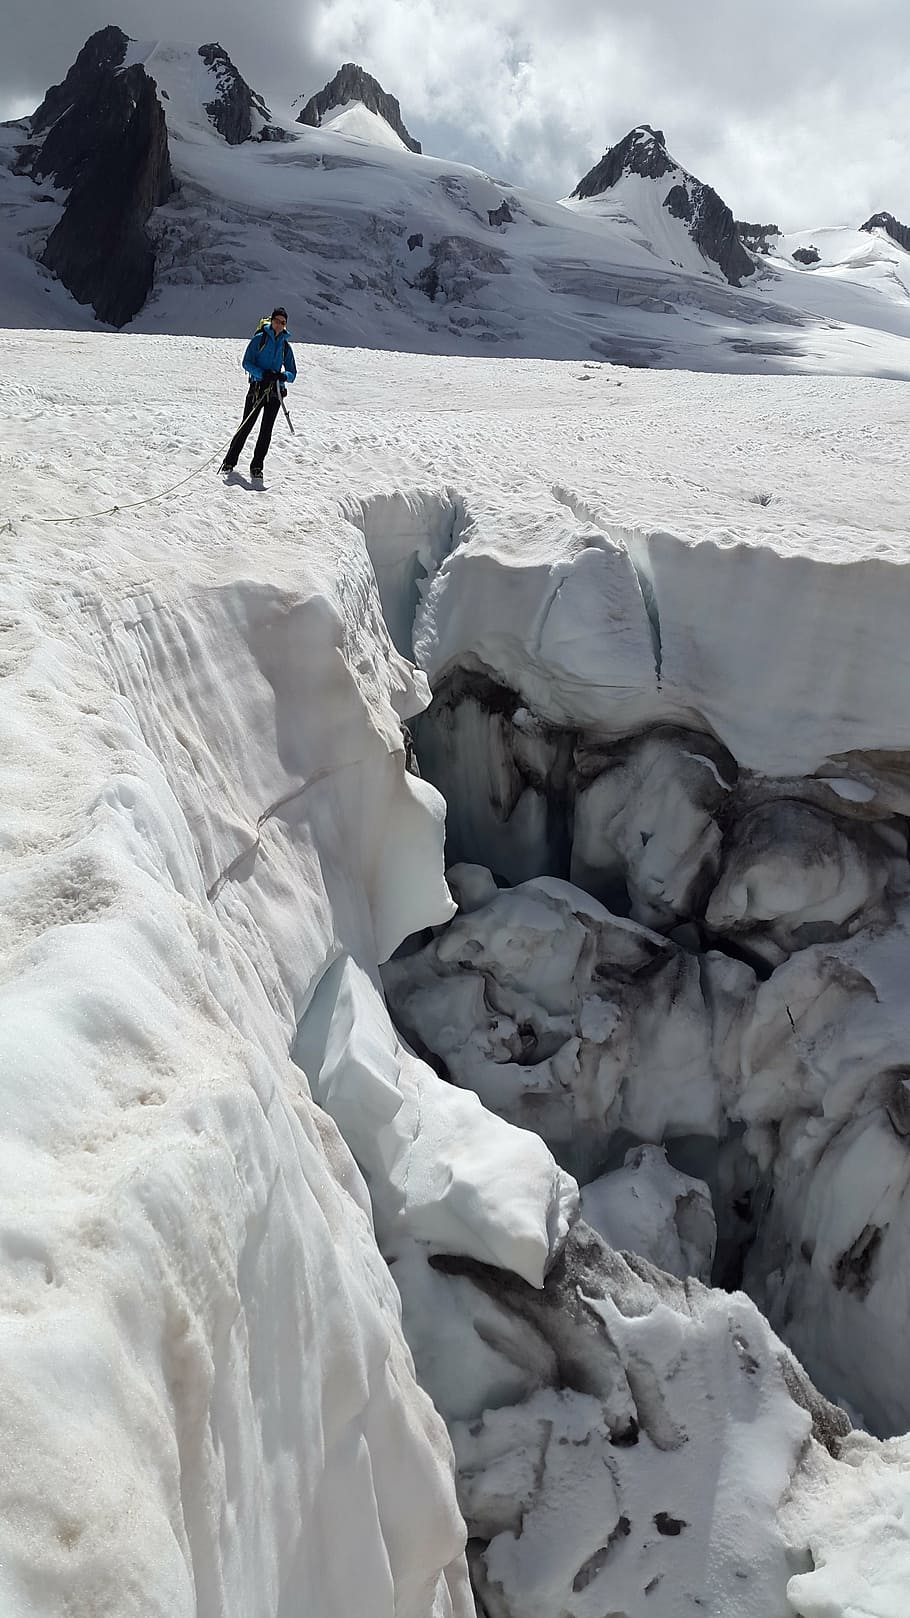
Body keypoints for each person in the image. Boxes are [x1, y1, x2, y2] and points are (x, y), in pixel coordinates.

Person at [221, 306, 297, 479]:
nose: (279, 325)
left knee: (266, 430)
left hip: (275, 391)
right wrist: (262, 374)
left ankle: (257, 467)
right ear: (271, 321)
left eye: (283, 322)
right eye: (277, 321)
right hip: (257, 388)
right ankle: (229, 461)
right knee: (246, 425)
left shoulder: (285, 345)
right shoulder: (259, 339)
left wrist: (282, 376)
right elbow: (246, 362)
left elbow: (293, 372)